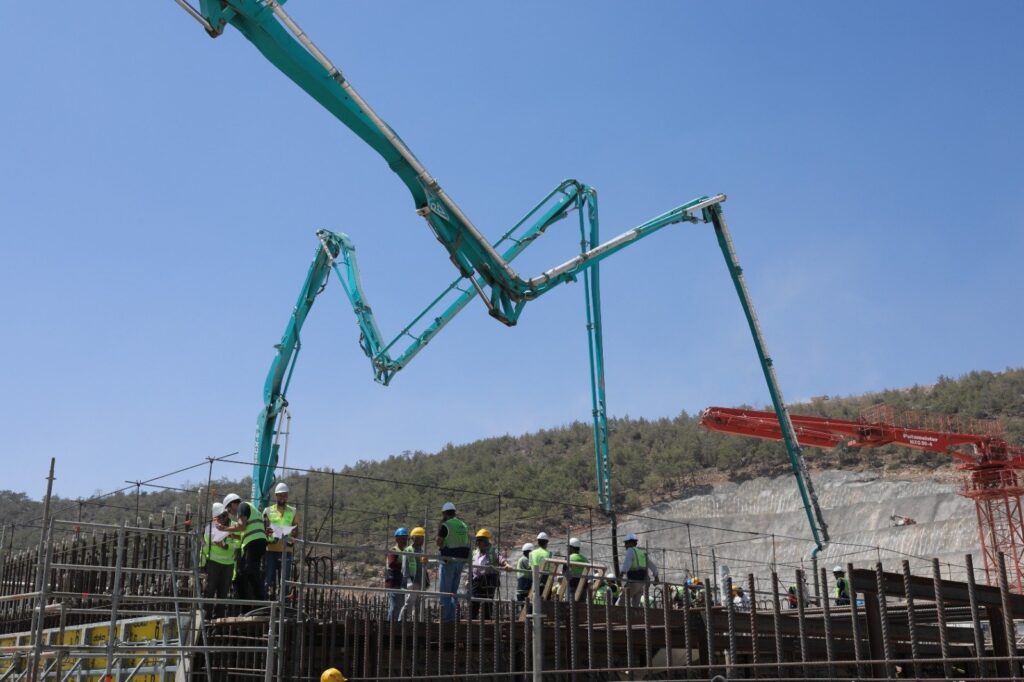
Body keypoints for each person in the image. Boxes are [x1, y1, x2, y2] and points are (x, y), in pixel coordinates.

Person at [221, 492, 269, 601]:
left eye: (228, 510)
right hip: (256, 541)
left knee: (251, 571)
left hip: (254, 542)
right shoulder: (250, 509)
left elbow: (241, 526)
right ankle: (251, 604)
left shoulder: (242, 506)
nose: (230, 513)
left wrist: (225, 529)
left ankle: (261, 601)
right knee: (242, 574)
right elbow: (244, 532)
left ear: (233, 504)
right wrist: (230, 533)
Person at [201, 502, 237, 620]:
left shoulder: (234, 526)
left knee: (223, 594)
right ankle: (206, 619)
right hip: (213, 564)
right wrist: (201, 564)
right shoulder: (209, 528)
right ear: (214, 517)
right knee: (209, 592)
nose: (222, 519)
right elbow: (204, 547)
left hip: (228, 565)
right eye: (219, 517)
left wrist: (225, 546)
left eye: (224, 515)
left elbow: (238, 543)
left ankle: (218, 622)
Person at [436, 501, 470, 622]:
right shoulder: (463, 525)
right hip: (461, 561)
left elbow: (439, 541)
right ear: (454, 512)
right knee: (453, 591)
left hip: (449, 561)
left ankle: (446, 618)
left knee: (445, 591)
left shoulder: (446, 525)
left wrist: (441, 543)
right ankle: (454, 617)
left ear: (444, 513)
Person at [263, 482, 299, 599]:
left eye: (285, 495)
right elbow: (263, 528)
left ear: (287, 496)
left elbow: (296, 529)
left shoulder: (293, 511)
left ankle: (283, 606)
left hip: (286, 550)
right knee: (268, 579)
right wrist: (267, 532)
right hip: (271, 550)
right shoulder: (267, 511)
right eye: (280, 495)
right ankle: (268, 604)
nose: (283, 497)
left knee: (284, 580)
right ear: (276, 496)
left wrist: (293, 536)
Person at [470, 528, 508, 619]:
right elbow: (471, 566)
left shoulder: (493, 551)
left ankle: (486, 622)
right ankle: (472, 621)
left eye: (480, 540)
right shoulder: (475, 552)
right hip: (476, 581)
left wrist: (506, 565)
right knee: (473, 601)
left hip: (489, 580)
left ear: (486, 540)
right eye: (477, 540)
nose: (478, 542)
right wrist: (469, 579)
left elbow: (500, 559)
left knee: (487, 602)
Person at [617, 533, 658, 607]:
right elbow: (652, 566)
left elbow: (627, 563)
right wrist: (656, 577)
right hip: (643, 584)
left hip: (634, 582)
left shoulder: (630, 550)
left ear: (631, 542)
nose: (625, 545)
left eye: (626, 543)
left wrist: (621, 574)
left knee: (619, 603)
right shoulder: (642, 552)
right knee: (635, 606)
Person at [399, 527, 429, 621]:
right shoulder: (408, 550)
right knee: (409, 602)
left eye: (422, 538)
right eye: (419, 538)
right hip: (411, 580)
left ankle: (415, 623)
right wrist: (408, 580)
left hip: (420, 581)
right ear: (413, 538)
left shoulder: (423, 551)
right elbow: (405, 567)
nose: (422, 540)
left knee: (418, 603)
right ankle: (401, 621)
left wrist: (425, 562)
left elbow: (424, 567)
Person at [385, 527, 410, 620]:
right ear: (397, 539)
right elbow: (392, 564)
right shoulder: (394, 550)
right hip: (393, 582)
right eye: (402, 538)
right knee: (395, 606)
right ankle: (390, 626)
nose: (404, 540)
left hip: (401, 582)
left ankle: (395, 626)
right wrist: (405, 566)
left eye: (405, 538)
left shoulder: (406, 551)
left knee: (400, 606)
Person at [529, 532, 553, 598]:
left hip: (534, 580)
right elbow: (551, 569)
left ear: (538, 542)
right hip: (546, 582)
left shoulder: (531, 553)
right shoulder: (549, 553)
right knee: (546, 603)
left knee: (535, 602)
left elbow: (530, 566)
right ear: (547, 542)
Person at [564, 537, 588, 602]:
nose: (567, 549)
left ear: (571, 548)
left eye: (568, 547)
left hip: (572, 585)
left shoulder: (569, 558)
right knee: (582, 606)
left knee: (570, 606)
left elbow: (564, 572)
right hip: (583, 586)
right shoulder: (585, 559)